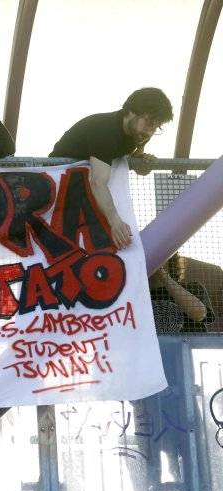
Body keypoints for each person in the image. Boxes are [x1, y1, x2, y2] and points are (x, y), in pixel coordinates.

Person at [49, 87, 173, 250]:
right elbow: (98, 182)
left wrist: (142, 163)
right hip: (56, 185)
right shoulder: (105, 131)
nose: (150, 131)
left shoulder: (140, 135)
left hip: (82, 190)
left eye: (155, 127)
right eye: (149, 123)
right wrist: (115, 221)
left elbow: (134, 163)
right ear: (131, 112)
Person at [149, 252, 215, 334]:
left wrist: (161, 274)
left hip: (185, 344)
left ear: (171, 263)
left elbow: (200, 314)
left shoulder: (193, 288)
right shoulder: (140, 294)